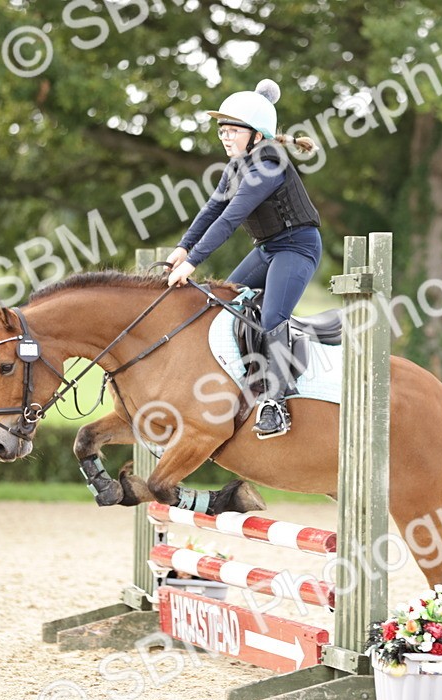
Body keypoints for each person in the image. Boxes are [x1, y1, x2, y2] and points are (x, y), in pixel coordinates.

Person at [164, 79, 322, 439]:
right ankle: (241, 381)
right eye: (222, 129)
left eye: (232, 129)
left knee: (271, 316)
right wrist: (183, 248)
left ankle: (276, 403)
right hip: (267, 249)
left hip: (297, 247)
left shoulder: (269, 163)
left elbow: (231, 219)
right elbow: (210, 211)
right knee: (224, 306)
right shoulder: (235, 167)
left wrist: (194, 263)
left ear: (256, 135)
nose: (224, 135)